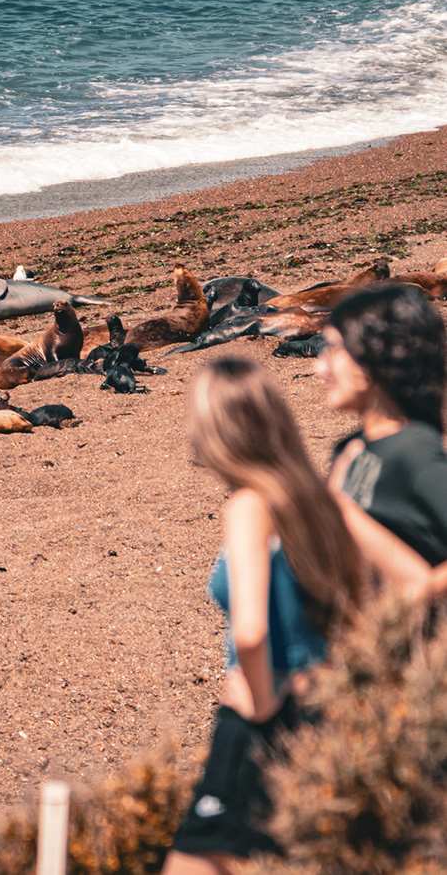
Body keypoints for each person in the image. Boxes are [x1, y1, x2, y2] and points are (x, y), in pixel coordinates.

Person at [163, 357, 363, 875]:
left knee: (195, 860)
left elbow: (250, 632)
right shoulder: (314, 498)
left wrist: (262, 704)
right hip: (321, 708)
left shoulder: (249, 506)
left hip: (262, 714)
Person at [314, 283, 447, 598]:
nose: (319, 368)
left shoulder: (414, 453)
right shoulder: (351, 448)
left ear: (371, 357)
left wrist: (420, 592)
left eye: (334, 349)